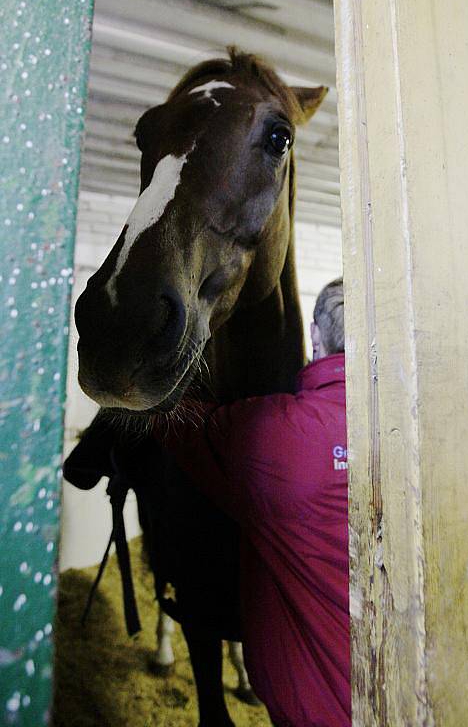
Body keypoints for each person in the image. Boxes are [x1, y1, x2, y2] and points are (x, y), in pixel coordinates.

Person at [157, 278, 350, 727]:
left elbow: (179, 425)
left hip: (311, 704)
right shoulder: (424, 435)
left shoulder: (272, 430)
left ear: (316, 338)